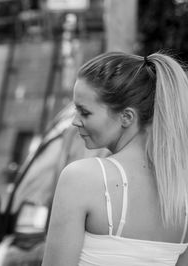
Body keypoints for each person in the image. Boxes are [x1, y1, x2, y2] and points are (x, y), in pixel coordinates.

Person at [41, 51, 188, 266]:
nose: (74, 121)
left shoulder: (81, 179)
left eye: (84, 112)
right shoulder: (182, 191)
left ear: (127, 117)